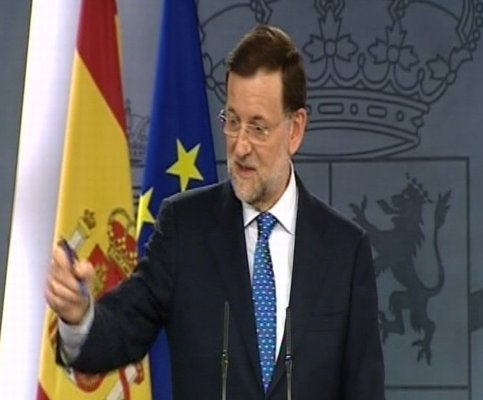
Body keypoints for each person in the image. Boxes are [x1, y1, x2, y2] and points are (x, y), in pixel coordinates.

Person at [46, 25, 385, 399]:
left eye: (258, 128)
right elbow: (123, 329)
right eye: (233, 122)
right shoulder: (185, 229)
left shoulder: (344, 250)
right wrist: (79, 315)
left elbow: (364, 389)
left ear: (295, 130)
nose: (240, 146)